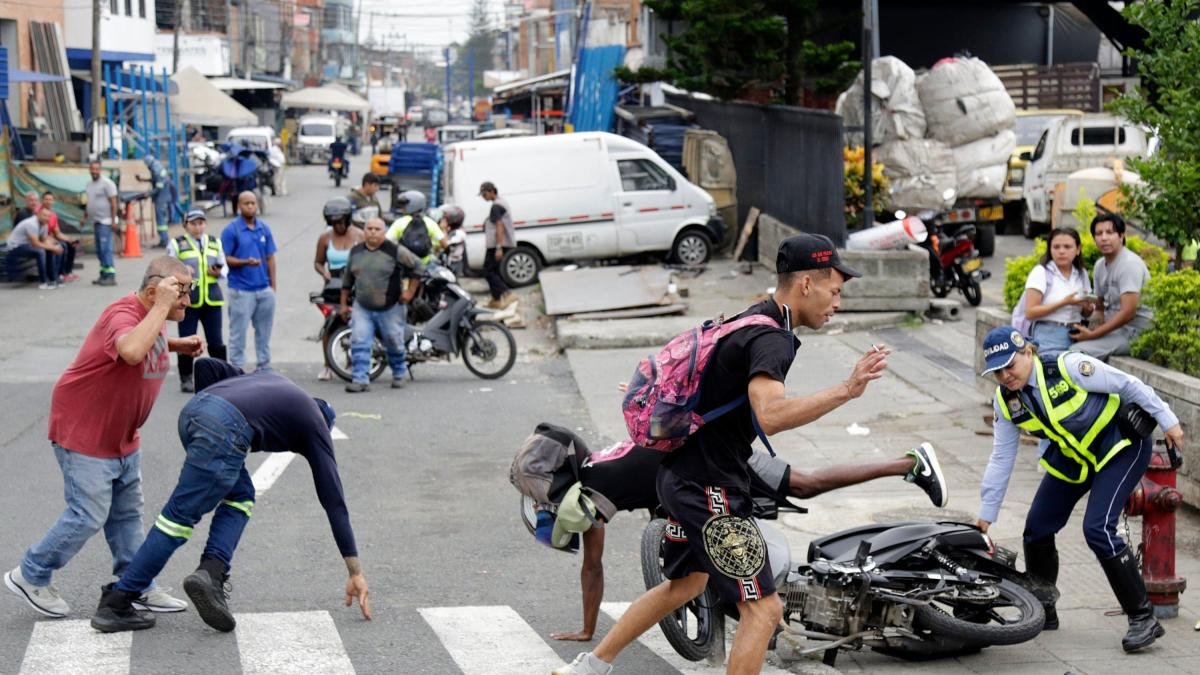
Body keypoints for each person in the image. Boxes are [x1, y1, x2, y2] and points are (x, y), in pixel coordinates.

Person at [553, 233, 890, 675]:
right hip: (711, 490)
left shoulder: (750, 317)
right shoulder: (772, 339)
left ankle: (590, 667)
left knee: (686, 585)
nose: (838, 303)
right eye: (835, 291)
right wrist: (847, 389)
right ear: (807, 284)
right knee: (764, 610)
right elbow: (770, 415)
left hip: (677, 478)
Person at [528, 430, 947, 643]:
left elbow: (593, 568)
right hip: (695, 471)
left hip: (715, 461)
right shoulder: (597, 461)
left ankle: (908, 464)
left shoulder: (590, 497)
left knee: (806, 484)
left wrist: (587, 628)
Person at [89, 359, 372, 633]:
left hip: (192, 414)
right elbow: (334, 501)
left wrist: (209, 419)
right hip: (224, 431)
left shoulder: (274, 381)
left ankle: (211, 572)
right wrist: (355, 572)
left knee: (241, 496)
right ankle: (117, 601)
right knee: (177, 520)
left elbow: (205, 366)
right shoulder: (316, 426)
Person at [4, 257, 198, 620]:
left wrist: (176, 345)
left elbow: (144, 341)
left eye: (189, 291)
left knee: (127, 514)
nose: (188, 301)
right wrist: (162, 307)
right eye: (182, 293)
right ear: (154, 292)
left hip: (121, 435)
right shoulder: (123, 314)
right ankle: (31, 574)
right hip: (86, 430)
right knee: (88, 514)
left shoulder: (153, 314)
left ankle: (135, 584)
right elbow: (130, 350)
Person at [975, 325, 1184, 652]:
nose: (1005, 376)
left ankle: (1143, 618)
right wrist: (986, 514)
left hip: (1120, 447)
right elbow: (1002, 456)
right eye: (997, 372)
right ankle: (1043, 609)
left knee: (1097, 528)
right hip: (1075, 457)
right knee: (1037, 529)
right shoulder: (1006, 401)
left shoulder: (1067, 367)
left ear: (1028, 351)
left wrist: (1169, 422)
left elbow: (1128, 384)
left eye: (1010, 366)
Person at [340, 218, 423, 393]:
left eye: (377, 229)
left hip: (390, 307)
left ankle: (399, 374)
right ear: (364, 231)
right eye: (369, 228)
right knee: (359, 342)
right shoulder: (356, 252)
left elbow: (418, 267)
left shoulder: (396, 251)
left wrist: (409, 292)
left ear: (384, 232)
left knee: (394, 342)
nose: (372, 232)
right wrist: (343, 304)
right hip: (362, 306)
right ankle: (360, 379)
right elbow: (347, 280)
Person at [1070, 214, 1152, 360]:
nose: (1104, 238)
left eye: (1110, 232)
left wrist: (1093, 334)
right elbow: (1100, 308)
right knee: (1069, 338)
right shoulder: (1099, 265)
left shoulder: (1129, 265)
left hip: (1136, 333)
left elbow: (1128, 312)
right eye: (1099, 233)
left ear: (1121, 236)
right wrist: (1088, 325)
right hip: (1115, 330)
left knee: (1076, 353)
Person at [168, 210, 228, 393]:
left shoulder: (214, 242)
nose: (198, 227)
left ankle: (222, 376)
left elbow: (224, 267)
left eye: (201, 223)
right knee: (186, 341)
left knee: (216, 342)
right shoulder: (177, 244)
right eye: (193, 223)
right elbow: (167, 268)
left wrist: (219, 272)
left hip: (212, 300)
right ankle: (186, 378)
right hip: (188, 302)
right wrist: (181, 270)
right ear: (185, 225)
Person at [220, 192, 277, 372]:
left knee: (264, 333)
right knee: (238, 334)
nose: (250, 206)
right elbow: (224, 258)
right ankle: (236, 369)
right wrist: (244, 262)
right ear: (239, 206)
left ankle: (264, 367)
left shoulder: (264, 229)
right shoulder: (231, 230)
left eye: (253, 203)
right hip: (241, 291)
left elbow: (270, 258)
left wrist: (273, 287)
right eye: (246, 203)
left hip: (264, 290)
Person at [1020, 227, 1093, 355]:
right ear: (1050, 249)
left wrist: (1087, 308)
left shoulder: (1081, 274)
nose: (1061, 251)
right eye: (1056, 247)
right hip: (1048, 335)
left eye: (1067, 247)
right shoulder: (1041, 272)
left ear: (1078, 249)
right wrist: (1064, 302)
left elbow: (1086, 313)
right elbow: (1030, 312)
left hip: (1077, 334)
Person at [315, 197, 365, 381]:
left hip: (355, 285)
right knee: (331, 324)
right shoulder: (325, 238)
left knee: (354, 324)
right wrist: (324, 273)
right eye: (334, 223)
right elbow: (318, 262)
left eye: (341, 222)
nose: (338, 226)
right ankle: (327, 364)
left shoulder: (360, 235)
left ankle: (352, 362)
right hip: (334, 285)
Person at [479, 181, 516, 309]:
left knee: (488, 271)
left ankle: (507, 293)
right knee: (495, 271)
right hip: (499, 244)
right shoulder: (500, 202)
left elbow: (499, 226)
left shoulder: (496, 206)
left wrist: (499, 247)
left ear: (491, 191)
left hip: (498, 245)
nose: (483, 197)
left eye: (484, 194)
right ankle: (496, 300)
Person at [5, 209, 63, 289]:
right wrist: (53, 247)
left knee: (51, 249)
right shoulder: (32, 223)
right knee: (40, 252)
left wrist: (55, 247)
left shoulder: (44, 224)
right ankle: (43, 282)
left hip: (27, 245)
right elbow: (35, 243)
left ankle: (53, 280)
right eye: (44, 215)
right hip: (15, 246)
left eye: (48, 216)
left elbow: (44, 240)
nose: (46, 218)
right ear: (38, 215)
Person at [385, 190, 445, 266]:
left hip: (404, 263)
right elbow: (444, 243)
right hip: (425, 265)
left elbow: (387, 242)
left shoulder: (399, 223)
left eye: (404, 205)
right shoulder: (429, 222)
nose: (403, 208)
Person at [85, 161, 120, 286]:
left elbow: (114, 203)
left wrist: (113, 220)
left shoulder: (107, 183)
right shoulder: (89, 184)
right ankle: (103, 274)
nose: (94, 171)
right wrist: (84, 217)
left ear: (100, 170)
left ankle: (111, 276)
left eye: (96, 169)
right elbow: (90, 202)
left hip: (106, 222)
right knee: (99, 250)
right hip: (96, 221)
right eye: (92, 169)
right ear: (89, 170)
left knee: (106, 249)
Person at [38, 192, 81, 284]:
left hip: (51, 238)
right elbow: (40, 234)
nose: (48, 201)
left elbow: (58, 233)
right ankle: (59, 274)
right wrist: (53, 241)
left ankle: (67, 272)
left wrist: (70, 239)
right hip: (42, 239)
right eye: (46, 199)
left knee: (71, 244)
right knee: (62, 245)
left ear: (53, 201)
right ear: (42, 200)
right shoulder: (38, 212)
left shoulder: (53, 215)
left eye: (50, 199)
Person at [141, 154, 177, 249]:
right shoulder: (157, 166)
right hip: (165, 195)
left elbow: (159, 187)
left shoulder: (156, 170)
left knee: (161, 220)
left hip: (162, 197)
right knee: (161, 219)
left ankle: (164, 240)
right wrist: (144, 180)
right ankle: (163, 239)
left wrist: (149, 193)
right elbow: (156, 180)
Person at [440, 205, 468, 277]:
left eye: (445, 218)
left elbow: (446, 245)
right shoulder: (451, 231)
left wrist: (443, 229)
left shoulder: (459, 233)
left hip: (454, 264)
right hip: (447, 262)